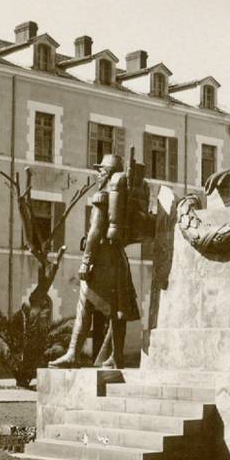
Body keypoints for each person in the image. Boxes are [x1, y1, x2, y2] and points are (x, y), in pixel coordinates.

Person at [49, 153, 140, 369]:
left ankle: (73, 354)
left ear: (107, 173)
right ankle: (116, 357)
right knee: (118, 309)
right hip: (119, 259)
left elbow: (95, 231)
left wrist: (86, 261)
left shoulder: (102, 197)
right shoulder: (124, 198)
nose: (98, 175)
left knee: (85, 303)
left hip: (101, 259)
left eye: (100, 171)